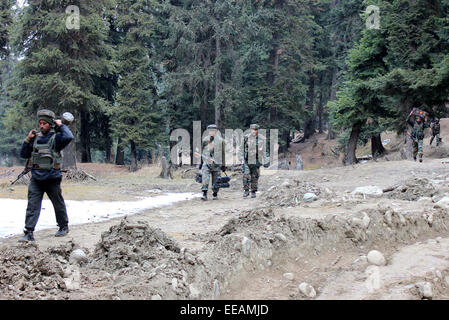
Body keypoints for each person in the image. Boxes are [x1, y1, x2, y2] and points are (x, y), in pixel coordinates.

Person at [18, 109, 74, 242]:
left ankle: (63, 227)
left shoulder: (57, 138)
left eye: (44, 123)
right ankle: (29, 232)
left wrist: (61, 125)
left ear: (50, 124)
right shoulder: (35, 138)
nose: (41, 126)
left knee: (58, 203)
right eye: (40, 123)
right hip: (36, 179)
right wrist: (27, 140)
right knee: (32, 206)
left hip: (52, 178)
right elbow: (24, 155)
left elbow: (69, 136)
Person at [239, 124, 269, 198]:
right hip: (247, 160)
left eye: (255, 130)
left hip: (256, 160)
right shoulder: (246, 138)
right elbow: (241, 149)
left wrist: (266, 160)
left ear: (258, 130)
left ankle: (253, 191)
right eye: (252, 129)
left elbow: (265, 151)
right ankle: (246, 190)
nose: (254, 131)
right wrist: (241, 158)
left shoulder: (262, 139)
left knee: (255, 176)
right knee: (246, 175)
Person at [200, 124, 226, 201]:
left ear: (216, 131)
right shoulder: (205, 140)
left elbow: (223, 153)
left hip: (217, 164)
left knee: (216, 180)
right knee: (205, 178)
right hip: (207, 163)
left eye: (213, 131)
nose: (211, 132)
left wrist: (223, 165)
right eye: (210, 131)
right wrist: (201, 162)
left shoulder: (221, 141)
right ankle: (204, 194)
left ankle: (215, 194)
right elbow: (202, 151)